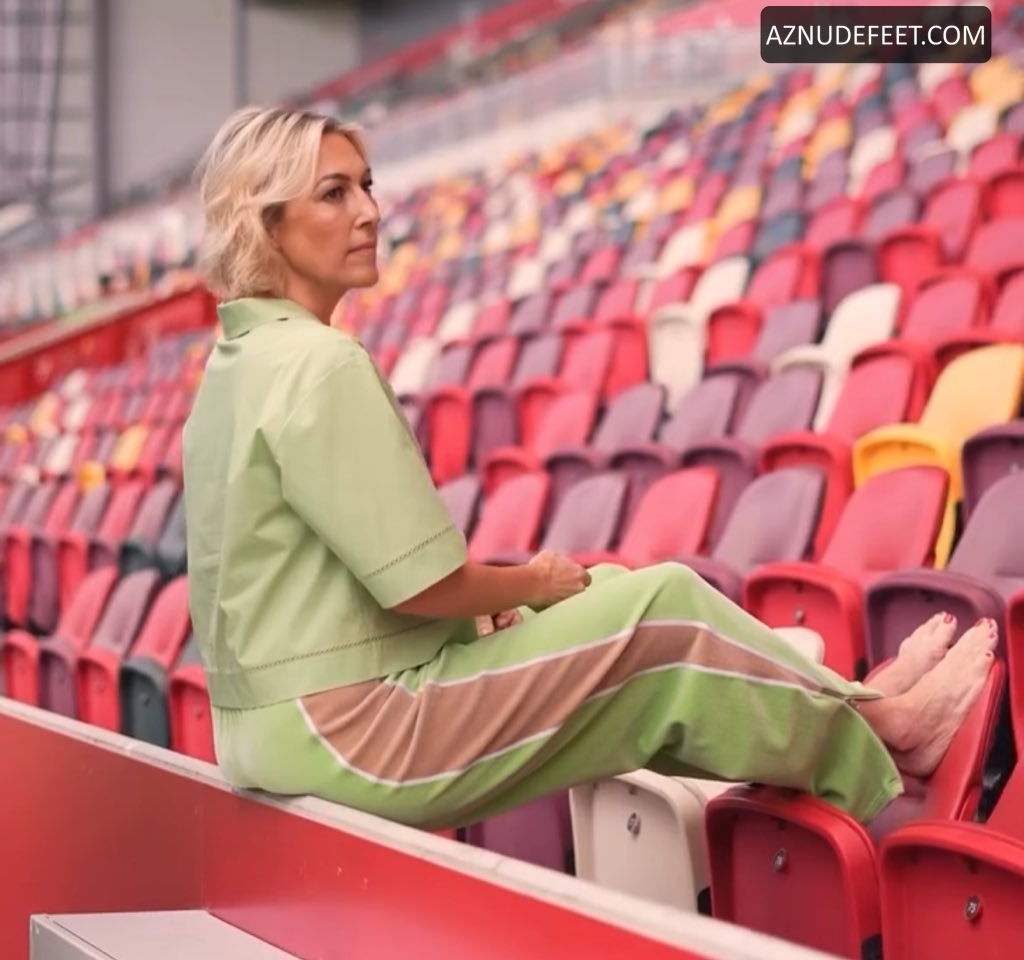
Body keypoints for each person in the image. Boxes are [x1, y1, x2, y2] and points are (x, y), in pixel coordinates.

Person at [182, 106, 997, 832]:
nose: (368, 211)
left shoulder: (235, 365)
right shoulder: (320, 362)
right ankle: (886, 738)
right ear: (269, 224)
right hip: (355, 733)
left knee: (602, 590)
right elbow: (421, 587)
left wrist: (500, 607)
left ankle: (858, 706)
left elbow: (315, 585)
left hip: (267, 734)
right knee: (661, 603)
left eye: (366, 185)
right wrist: (529, 583)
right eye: (334, 194)